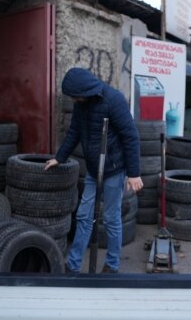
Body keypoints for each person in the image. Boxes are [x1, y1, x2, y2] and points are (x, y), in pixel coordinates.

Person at [45, 68, 143, 274]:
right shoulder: (81, 105)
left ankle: (112, 265)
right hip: (92, 169)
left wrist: (134, 173)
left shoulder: (114, 100)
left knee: (111, 219)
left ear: (85, 91)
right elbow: (74, 132)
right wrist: (59, 157)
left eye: (74, 96)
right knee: (83, 216)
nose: (73, 100)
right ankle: (72, 265)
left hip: (114, 170)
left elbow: (130, 136)